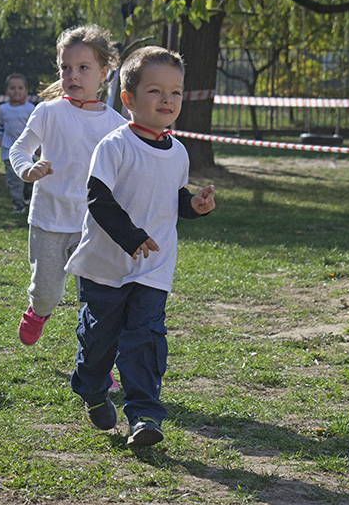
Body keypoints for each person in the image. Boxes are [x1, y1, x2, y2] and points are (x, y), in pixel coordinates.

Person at [64, 46, 216, 447]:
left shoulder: (179, 151)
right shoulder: (113, 146)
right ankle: (92, 387)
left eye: (176, 92)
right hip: (105, 265)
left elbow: (171, 195)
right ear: (128, 99)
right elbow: (99, 200)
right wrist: (130, 237)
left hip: (154, 267)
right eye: (155, 91)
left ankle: (144, 415)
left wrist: (193, 206)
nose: (167, 100)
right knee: (100, 341)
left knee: (145, 337)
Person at [9, 25, 127, 347]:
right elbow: (19, 149)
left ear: (104, 73)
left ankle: (97, 365)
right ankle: (38, 311)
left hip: (94, 227)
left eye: (83, 68)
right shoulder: (48, 112)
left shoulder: (117, 126)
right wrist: (27, 169)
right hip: (49, 222)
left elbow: (132, 168)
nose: (72, 75)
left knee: (96, 303)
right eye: (65, 68)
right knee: (47, 294)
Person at [0, 73, 36, 213]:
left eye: (20, 88)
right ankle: (18, 203)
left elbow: (36, 130)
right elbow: (1, 126)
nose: (16, 91)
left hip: (29, 150)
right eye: (12, 88)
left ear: (26, 91)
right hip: (8, 150)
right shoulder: (3, 109)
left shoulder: (30, 109)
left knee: (29, 177)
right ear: (6, 91)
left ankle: (27, 194)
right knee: (13, 179)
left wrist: (39, 147)